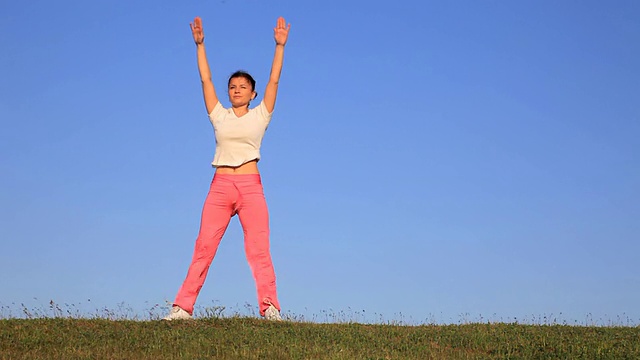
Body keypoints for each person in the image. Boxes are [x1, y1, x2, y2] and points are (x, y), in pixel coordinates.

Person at [163, 15, 291, 321]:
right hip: (219, 187)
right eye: (232, 86)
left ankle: (270, 308)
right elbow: (206, 80)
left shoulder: (260, 116)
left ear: (252, 94)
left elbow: (274, 80)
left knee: (259, 250)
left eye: (243, 87)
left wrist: (279, 46)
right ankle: (182, 308)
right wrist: (200, 45)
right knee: (204, 247)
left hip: (250, 188)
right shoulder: (219, 115)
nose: (236, 90)